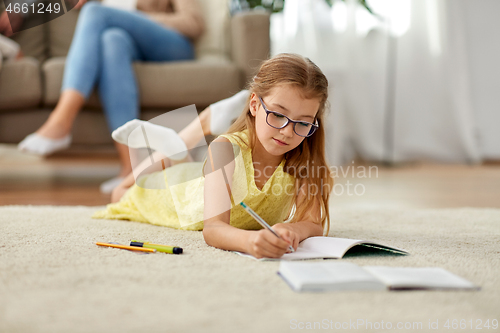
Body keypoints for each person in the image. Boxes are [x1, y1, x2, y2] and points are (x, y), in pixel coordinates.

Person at [93, 53, 334, 259]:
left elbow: (313, 223)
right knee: (120, 193)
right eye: (278, 115)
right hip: (177, 194)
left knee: (183, 164)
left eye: (303, 123)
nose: (287, 131)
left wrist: (293, 229)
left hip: (201, 176)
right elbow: (213, 228)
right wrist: (250, 242)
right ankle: (185, 138)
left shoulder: (306, 159)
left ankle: (178, 146)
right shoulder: (224, 149)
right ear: (254, 105)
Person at [17, 0, 204, 193]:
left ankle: (61, 121)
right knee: (112, 40)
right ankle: (131, 166)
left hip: (173, 44)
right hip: (128, 41)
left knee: (95, 12)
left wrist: (132, 17)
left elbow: (194, 23)